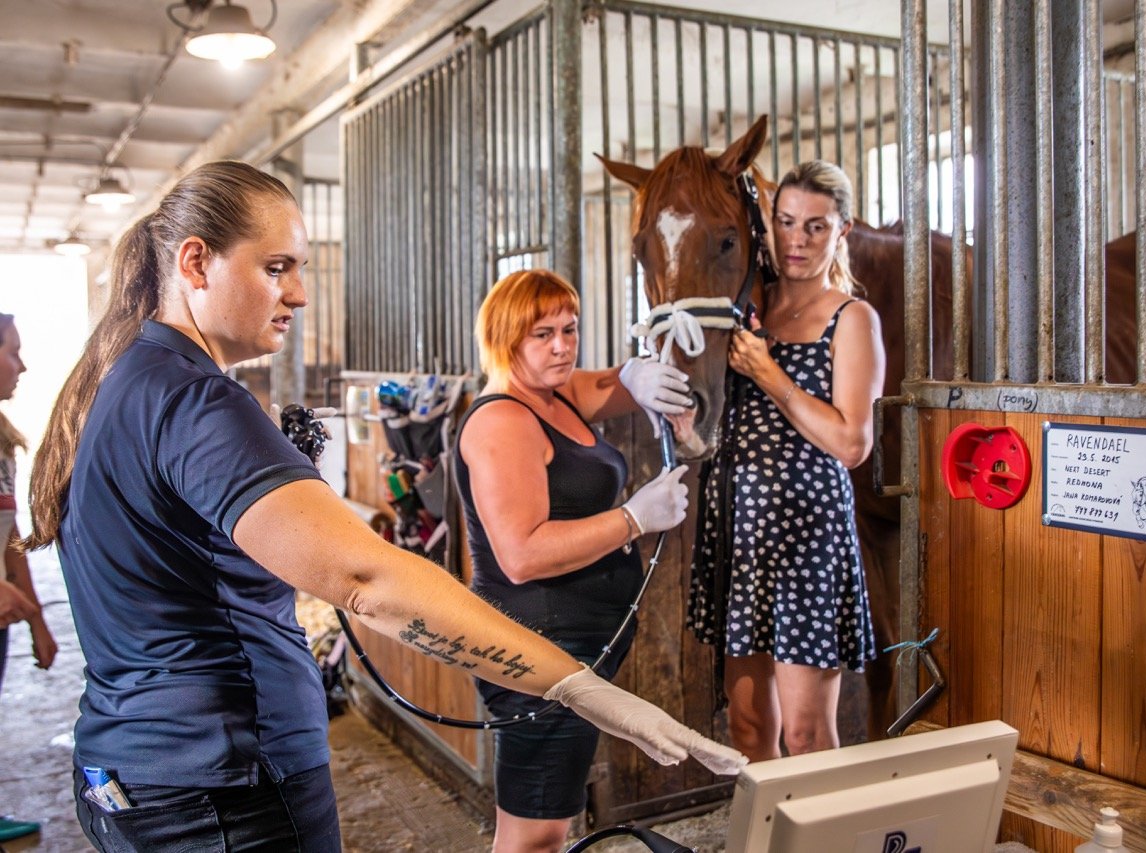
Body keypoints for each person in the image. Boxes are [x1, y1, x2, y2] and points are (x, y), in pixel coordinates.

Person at [23, 160, 744, 853]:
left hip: (143, 763)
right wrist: (580, 687)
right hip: (224, 773)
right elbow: (368, 581)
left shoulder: (132, 380)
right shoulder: (198, 400)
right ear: (194, 264)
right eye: (276, 268)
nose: (299, 294)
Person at [455, 268, 694, 853]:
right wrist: (633, 519)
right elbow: (521, 555)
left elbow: (612, 385)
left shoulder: (552, 391)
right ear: (505, 340)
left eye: (570, 328)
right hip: (540, 649)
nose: (562, 346)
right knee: (535, 833)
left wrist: (640, 370)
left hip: (574, 643)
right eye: (542, 334)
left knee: (547, 818)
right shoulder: (503, 420)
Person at [687, 159, 886, 762]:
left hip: (807, 541)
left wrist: (770, 374)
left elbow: (851, 443)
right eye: (787, 222)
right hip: (740, 536)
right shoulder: (748, 307)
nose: (797, 241)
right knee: (746, 728)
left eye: (817, 227)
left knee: (805, 734)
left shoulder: (851, 318)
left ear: (843, 231)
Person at [0, 313, 57, 845]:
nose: (22, 364)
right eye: (12, 351)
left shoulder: (3, 438)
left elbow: (9, 530)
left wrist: (38, 617)